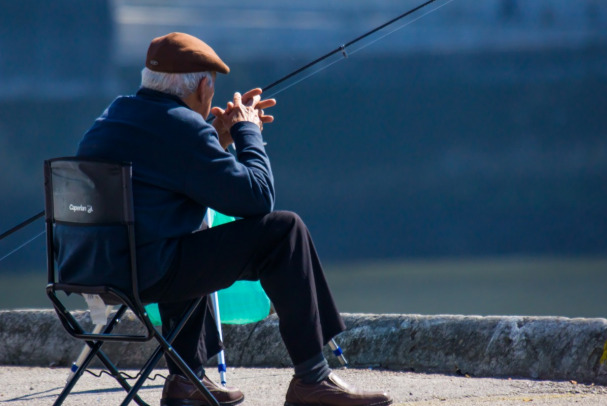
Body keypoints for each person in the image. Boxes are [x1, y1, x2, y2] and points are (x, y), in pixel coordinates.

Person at [59, 32, 393, 406]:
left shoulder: (113, 117)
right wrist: (247, 131)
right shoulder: (180, 127)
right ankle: (312, 381)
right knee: (285, 232)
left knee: (184, 235)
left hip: (90, 270)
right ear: (204, 86)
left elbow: (170, 176)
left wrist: (215, 140)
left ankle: (187, 380)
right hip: (149, 273)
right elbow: (257, 199)